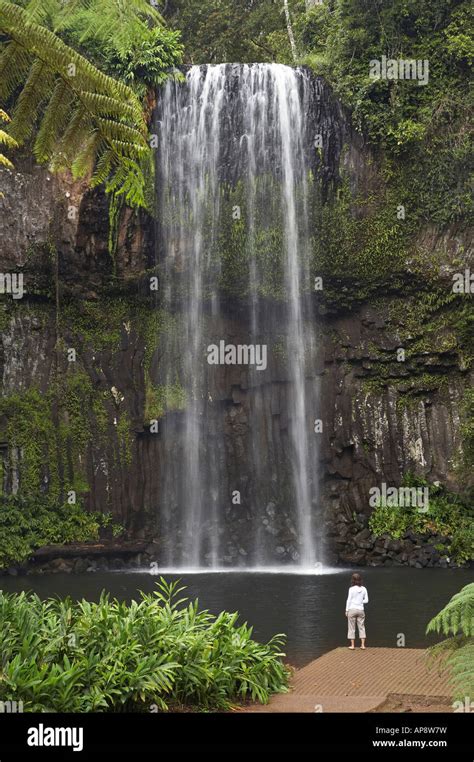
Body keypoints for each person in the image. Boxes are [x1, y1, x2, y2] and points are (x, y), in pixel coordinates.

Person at [345, 572, 368, 649]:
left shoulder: (351, 589)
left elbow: (348, 600)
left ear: (353, 580)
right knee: (361, 627)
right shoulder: (364, 589)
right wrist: (360, 601)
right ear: (360, 580)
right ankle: (363, 645)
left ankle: (352, 645)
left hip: (352, 609)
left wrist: (346, 610)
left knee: (351, 627)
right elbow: (367, 600)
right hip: (361, 610)